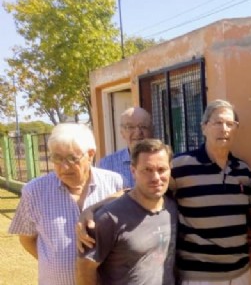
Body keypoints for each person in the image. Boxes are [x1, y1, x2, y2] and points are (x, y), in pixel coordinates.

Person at [171, 99, 251, 285]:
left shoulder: (243, 170)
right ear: (204, 128)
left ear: (236, 129)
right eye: (217, 122)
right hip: (199, 276)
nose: (224, 129)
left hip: (240, 273)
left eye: (230, 124)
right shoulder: (180, 166)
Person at [8, 123, 123, 285]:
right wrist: (54, 264)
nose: (64, 166)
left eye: (72, 158)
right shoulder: (34, 191)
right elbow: (27, 238)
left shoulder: (114, 182)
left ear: (90, 155)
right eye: (57, 158)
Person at [76, 138, 178, 285]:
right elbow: (85, 267)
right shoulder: (109, 218)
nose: (155, 177)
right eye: (147, 170)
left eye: (161, 170)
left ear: (170, 169)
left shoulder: (172, 207)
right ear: (133, 171)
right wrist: (89, 210)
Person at [98, 106, 153, 188]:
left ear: (151, 130)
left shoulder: (164, 161)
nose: (138, 132)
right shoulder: (106, 165)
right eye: (130, 127)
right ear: (122, 133)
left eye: (143, 127)